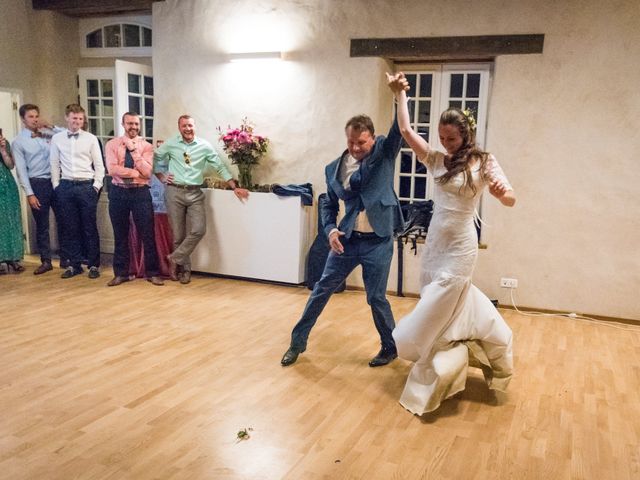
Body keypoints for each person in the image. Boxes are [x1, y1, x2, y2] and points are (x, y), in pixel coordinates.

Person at [387, 72, 516, 415]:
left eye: (452, 138)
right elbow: (405, 131)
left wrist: (504, 194)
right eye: (442, 137)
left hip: (461, 245)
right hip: (436, 243)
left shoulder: (483, 161)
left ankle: (414, 347)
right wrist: (400, 93)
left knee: (437, 305)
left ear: (466, 135)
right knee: (440, 303)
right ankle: (448, 361)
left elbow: (510, 197)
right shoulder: (436, 159)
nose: (446, 143)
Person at [281, 113, 404, 368]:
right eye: (351, 143)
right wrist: (330, 231)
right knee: (321, 290)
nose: (356, 148)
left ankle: (389, 347)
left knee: (376, 298)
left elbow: (398, 130)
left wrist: (400, 96)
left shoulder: (383, 155)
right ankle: (297, 343)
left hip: (378, 241)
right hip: (347, 241)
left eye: (362, 142)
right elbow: (328, 204)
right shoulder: (333, 168)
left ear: (372, 138)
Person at [153, 115, 249, 284]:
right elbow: (156, 156)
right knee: (178, 235)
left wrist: (234, 186)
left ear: (195, 127)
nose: (187, 129)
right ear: (179, 127)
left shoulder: (204, 146)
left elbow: (219, 165)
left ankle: (174, 258)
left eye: (190, 125)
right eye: (184, 126)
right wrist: (161, 175)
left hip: (195, 193)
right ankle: (183, 270)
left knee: (198, 229)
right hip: (174, 192)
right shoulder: (171, 143)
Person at [105, 112, 164, 287]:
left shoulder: (146, 147)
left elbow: (147, 173)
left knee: (148, 234)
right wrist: (134, 173)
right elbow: (112, 169)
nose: (134, 127)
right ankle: (121, 273)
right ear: (123, 124)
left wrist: (133, 151)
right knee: (120, 234)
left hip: (140, 193)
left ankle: (152, 273)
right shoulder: (112, 144)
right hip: (118, 192)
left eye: (136, 124)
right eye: (130, 123)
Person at [50, 104, 105, 279]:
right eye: (74, 118)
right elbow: (54, 164)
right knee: (69, 228)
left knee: (89, 227)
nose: (77, 122)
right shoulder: (57, 138)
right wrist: (56, 186)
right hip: (66, 186)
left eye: (81, 119)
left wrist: (96, 186)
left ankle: (94, 264)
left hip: (86, 186)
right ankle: (74, 265)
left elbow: (99, 165)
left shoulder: (91, 138)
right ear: (67, 118)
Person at [11, 104, 64, 275]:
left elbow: (67, 134)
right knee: (42, 224)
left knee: (64, 219)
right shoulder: (19, 141)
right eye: (30, 117)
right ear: (23, 119)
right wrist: (29, 193)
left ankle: (67, 257)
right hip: (37, 183)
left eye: (36, 116)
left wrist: (49, 126)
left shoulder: (49, 134)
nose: (34, 119)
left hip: (56, 180)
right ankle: (46, 260)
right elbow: (21, 169)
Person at [0, 130, 24, 274]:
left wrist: (3, 150)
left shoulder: (5, 143)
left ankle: (13, 258)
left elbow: (10, 165)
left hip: (7, 185)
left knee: (10, 220)